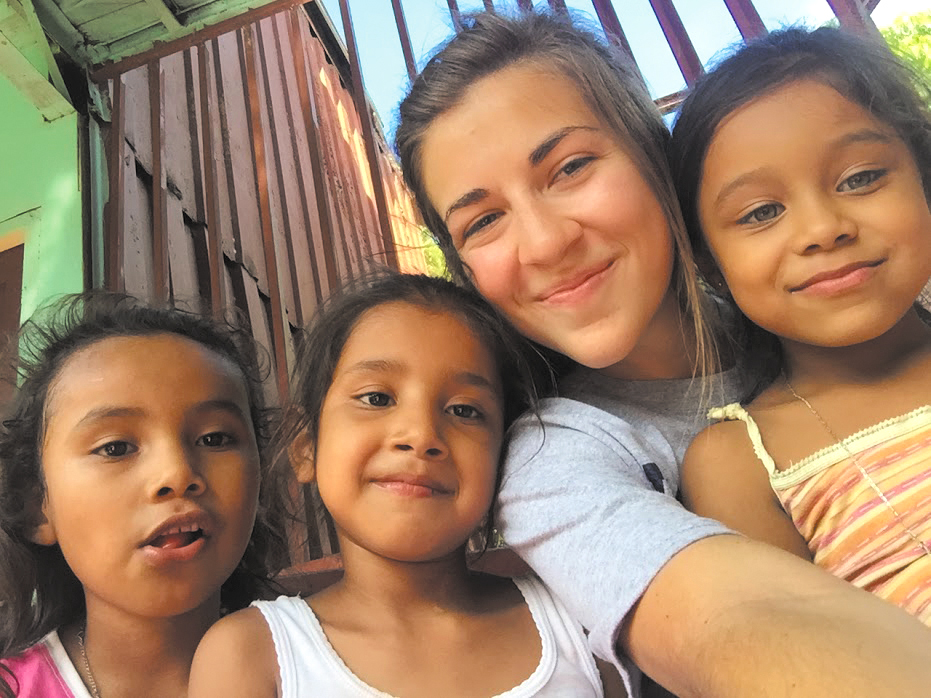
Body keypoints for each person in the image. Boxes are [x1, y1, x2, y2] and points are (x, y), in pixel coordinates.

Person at [395, 9, 931, 698]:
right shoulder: (556, 460)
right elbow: (746, 628)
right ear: (464, 269)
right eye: (483, 221)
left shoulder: (838, 295)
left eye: (570, 167)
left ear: (656, 157)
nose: (545, 242)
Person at [188, 272, 625, 697]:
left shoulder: (578, 621)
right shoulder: (254, 654)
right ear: (306, 448)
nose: (420, 435)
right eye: (377, 398)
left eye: (465, 410)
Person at [670, 27, 931, 624]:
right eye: (761, 212)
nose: (822, 228)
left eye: (860, 177)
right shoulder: (743, 462)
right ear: (710, 260)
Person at [0, 292, 289, 698]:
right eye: (115, 447)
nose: (177, 474)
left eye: (215, 438)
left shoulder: (323, 669)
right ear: (37, 508)